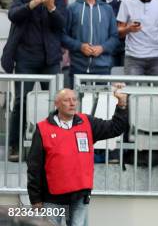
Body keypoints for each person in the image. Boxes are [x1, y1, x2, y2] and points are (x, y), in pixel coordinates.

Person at [26, 88, 128, 225]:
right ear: (56, 104)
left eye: (74, 99)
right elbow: (34, 166)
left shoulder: (87, 122)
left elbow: (115, 128)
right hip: (51, 197)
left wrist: (121, 105)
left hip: (80, 195)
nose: (72, 103)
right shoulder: (43, 129)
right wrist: (35, 199)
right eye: (67, 100)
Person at [2, 0, 66, 162]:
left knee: (57, 102)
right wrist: (33, 3)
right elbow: (13, 15)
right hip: (26, 57)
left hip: (50, 57)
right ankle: (15, 145)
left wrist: (51, 7)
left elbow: (62, 24)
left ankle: (55, 146)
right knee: (21, 102)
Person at [62, 0, 120, 85]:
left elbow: (115, 37)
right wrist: (80, 46)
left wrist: (102, 48)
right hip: (78, 67)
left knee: (101, 103)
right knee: (77, 102)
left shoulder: (107, 9)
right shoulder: (72, 9)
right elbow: (63, 36)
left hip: (103, 67)